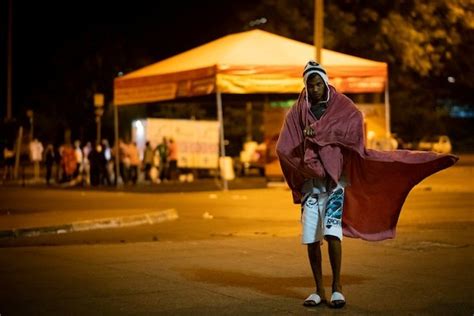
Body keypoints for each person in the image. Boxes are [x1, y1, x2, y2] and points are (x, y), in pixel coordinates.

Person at [276, 61, 458, 309]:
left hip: (335, 181)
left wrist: (319, 134)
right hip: (311, 184)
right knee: (311, 238)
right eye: (310, 85)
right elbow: (284, 147)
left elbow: (353, 132)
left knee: (332, 233)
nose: (315, 88)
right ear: (305, 86)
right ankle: (318, 290)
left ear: (326, 83)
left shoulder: (342, 107)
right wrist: (306, 164)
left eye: (319, 83)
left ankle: (337, 287)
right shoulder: (296, 112)